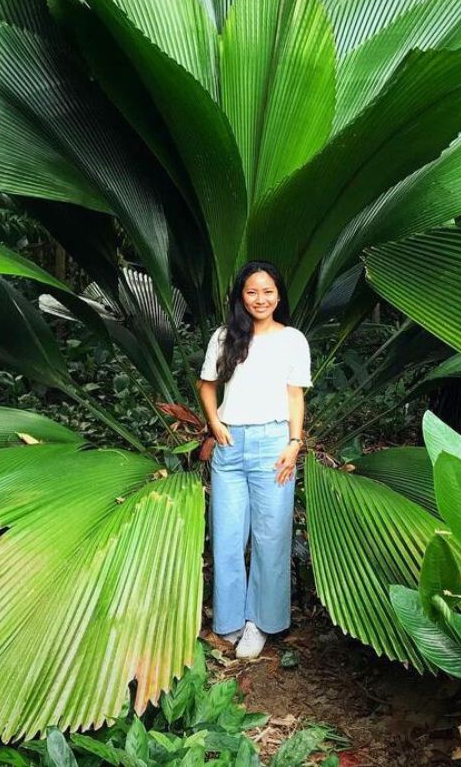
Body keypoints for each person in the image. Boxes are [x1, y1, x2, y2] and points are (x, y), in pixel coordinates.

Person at [199, 260, 311, 659]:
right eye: (251, 292)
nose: (260, 298)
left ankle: (260, 622)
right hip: (230, 445)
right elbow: (206, 385)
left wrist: (294, 442)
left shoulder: (293, 339)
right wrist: (214, 424)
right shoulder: (224, 337)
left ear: (278, 295)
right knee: (227, 537)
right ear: (241, 297)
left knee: (271, 537)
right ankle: (228, 622)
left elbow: (296, 395)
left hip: (273, 445)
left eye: (267, 291)